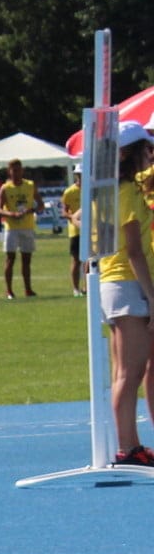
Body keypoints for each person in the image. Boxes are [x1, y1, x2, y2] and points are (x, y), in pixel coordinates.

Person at [96, 123, 154, 467]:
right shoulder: (128, 192)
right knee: (130, 373)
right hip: (128, 282)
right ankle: (128, 447)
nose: (150, 155)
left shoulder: (108, 191)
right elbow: (134, 250)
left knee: (125, 372)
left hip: (112, 282)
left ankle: (131, 445)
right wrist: (152, 297)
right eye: (146, 149)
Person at [0, 159, 40, 300]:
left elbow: (40, 205)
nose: (16, 173)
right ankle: (9, 291)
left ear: (22, 170)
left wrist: (32, 210)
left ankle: (28, 289)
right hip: (12, 228)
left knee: (27, 259)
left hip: (27, 226)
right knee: (10, 259)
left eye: (18, 170)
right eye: (13, 170)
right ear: (9, 172)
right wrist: (12, 214)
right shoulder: (5, 188)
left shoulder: (30, 185)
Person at [63, 169, 85, 298]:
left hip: (91, 229)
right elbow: (64, 211)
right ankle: (76, 289)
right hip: (75, 230)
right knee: (76, 260)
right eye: (79, 174)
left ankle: (86, 287)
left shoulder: (92, 188)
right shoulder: (70, 191)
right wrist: (74, 217)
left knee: (90, 260)